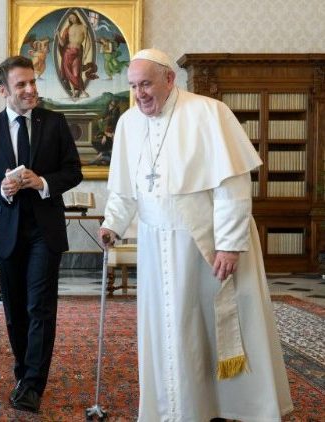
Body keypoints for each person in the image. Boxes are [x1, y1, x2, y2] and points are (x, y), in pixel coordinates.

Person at [99, 48, 293, 422]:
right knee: (168, 330)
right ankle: (175, 408)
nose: (139, 94)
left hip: (204, 243)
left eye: (146, 84)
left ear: (169, 79)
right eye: (133, 86)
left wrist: (230, 245)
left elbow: (232, 185)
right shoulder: (128, 123)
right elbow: (124, 188)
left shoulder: (208, 112)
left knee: (209, 328)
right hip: (155, 245)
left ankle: (232, 406)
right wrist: (113, 224)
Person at [0, 56, 82, 413]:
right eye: (22, 84)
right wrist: (0, 188)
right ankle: (24, 373)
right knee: (15, 310)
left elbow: (73, 171)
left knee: (40, 307)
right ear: (3, 90)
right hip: (7, 230)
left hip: (44, 231)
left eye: (33, 82)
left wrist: (43, 182)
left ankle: (33, 384)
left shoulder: (55, 122)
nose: (31, 89)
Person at [58, 12, 90, 98]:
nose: (72, 19)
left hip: (77, 52)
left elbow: (88, 42)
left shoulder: (83, 27)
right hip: (67, 52)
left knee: (76, 74)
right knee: (69, 73)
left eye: (73, 17)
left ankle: (82, 91)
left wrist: (86, 54)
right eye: (70, 18)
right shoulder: (68, 28)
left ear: (77, 17)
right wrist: (58, 35)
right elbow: (62, 44)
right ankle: (73, 93)